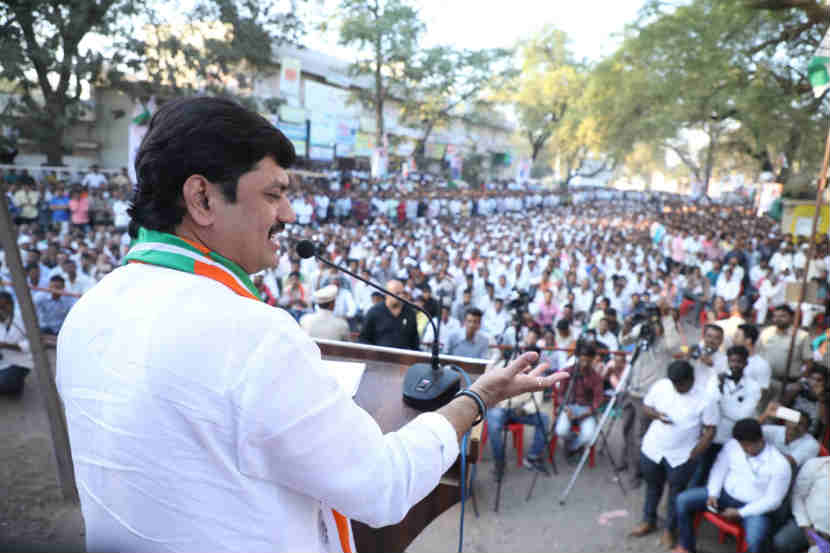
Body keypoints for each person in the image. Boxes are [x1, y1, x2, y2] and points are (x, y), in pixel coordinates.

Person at [55, 97, 568, 552]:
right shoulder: (252, 335)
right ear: (203, 199)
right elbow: (383, 485)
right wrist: (477, 398)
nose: (289, 213)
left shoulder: (90, 311)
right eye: (273, 194)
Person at [629, 360, 717, 548]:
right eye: (674, 383)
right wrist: (657, 415)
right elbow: (647, 406)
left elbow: (710, 429)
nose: (677, 387)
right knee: (652, 486)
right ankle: (648, 520)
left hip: (682, 455)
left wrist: (696, 452)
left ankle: (670, 530)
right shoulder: (662, 386)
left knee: (676, 493)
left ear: (691, 379)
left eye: (681, 384)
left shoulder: (706, 398)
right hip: (653, 448)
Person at [673, 418, 792, 553]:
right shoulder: (733, 445)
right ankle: (686, 547)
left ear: (761, 439)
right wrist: (713, 493)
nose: (745, 449)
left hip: (753, 507)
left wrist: (741, 513)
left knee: (755, 538)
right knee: (682, 500)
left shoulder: (780, 465)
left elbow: (773, 500)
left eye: (749, 445)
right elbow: (719, 469)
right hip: (724, 495)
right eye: (742, 445)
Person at [555, 342, 604, 463]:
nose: (585, 364)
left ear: (592, 360)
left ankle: (572, 446)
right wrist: (566, 409)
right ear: (577, 357)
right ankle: (574, 440)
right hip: (569, 407)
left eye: (588, 361)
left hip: (586, 410)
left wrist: (587, 412)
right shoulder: (567, 372)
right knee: (561, 430)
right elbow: (560, 395)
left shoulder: (596, 377)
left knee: (589, 436)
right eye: (582, 360)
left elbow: (598, 400)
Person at [771, 455, 829, 553]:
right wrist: (806, 527)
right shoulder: (816, 464)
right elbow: (797, 496)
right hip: (808, 524)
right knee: (780, 543)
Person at [758, 304, 813, 398]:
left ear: (791, 318)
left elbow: (809, 362)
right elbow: (758, 355)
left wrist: (800, 382)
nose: (778, 319)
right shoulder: (766, 332)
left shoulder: (802, 336)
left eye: (782, 316)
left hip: (788, 385)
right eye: (775, 316)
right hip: (765, 381)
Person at [358, 278, 420, 350]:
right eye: (397, 293)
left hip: (404, 355)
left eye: (403, 293)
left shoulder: (410, 313)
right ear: (387, 294)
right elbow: (363, 339)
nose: (401, 296)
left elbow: (414, 342)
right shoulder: (374, 312)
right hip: (380, 355)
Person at [759, 404, 820, 469]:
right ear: (786, 421)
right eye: (793, 421)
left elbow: (786, 463)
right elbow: (751, 432)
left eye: (801, 424)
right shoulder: (775, 430)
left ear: (806, 429)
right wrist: (765, 415)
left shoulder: (812, 444)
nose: (795, 426)